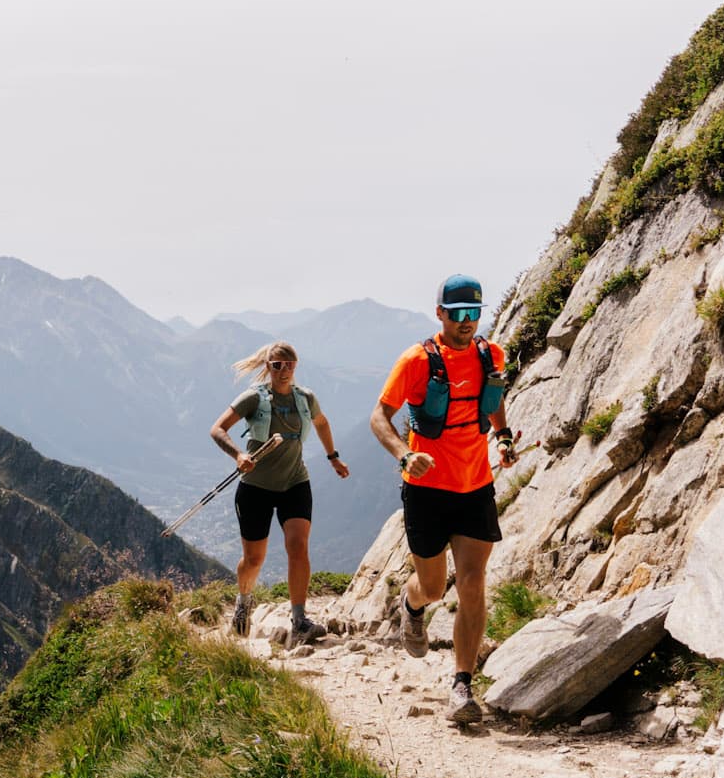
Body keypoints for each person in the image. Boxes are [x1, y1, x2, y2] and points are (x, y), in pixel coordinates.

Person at [369, 274, 518, 724]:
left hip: (475, 486)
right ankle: (412, 607)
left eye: (474, 313)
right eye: (457, 315)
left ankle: (462, 686)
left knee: (473, 583)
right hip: (427, 491)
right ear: (440, 314)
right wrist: (404, 454)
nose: (466, 322)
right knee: (433, 587)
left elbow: (492, 400)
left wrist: (505, 436)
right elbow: (379, 417)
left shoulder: (490, 354)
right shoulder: (416, 360)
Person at [208, 341, 349, 644]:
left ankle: (299, 620)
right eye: (277, 365)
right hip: (255, 488)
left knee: (298, 547)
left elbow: (322, 423)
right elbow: (218, 429)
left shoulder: (305, 399)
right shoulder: (253, 399)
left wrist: (333, 457)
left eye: (289, 365)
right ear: (267, 367)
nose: (284, 370)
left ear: (296, 366)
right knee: (254, 560)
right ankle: (244, 602)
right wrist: (238, 455)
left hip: (294, 483)